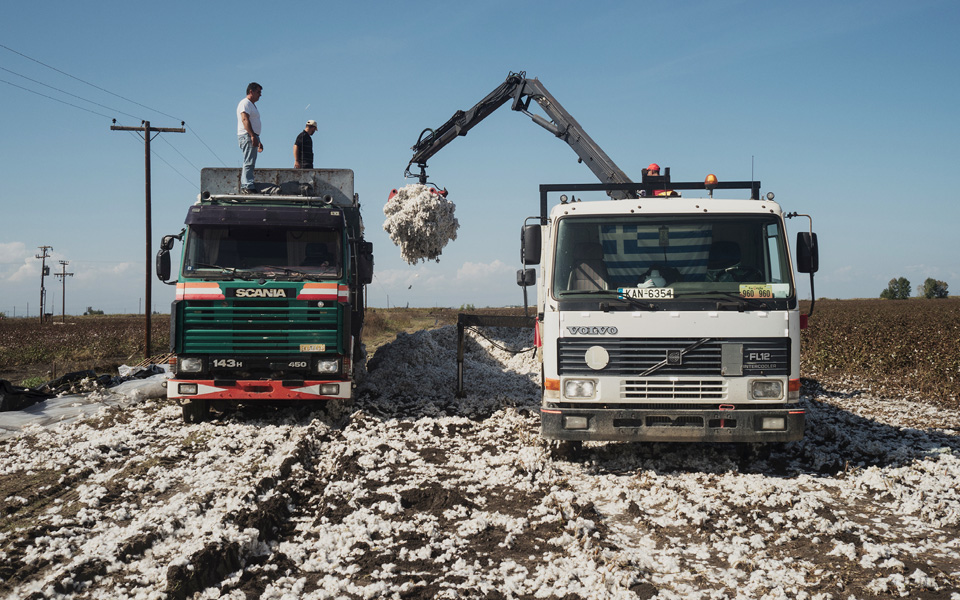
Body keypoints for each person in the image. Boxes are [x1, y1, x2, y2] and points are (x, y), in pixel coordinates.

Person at [237, 82, 263, 193]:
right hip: (247, 135)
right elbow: (245, 119)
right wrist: (252, 135)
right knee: (248, 161)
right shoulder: (245, 103)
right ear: (251, 91)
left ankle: (247, 183)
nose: (260, 95)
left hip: (252, 135)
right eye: (258, 92)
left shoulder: (251, 105)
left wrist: (258, 139)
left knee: (251, 161)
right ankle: (247, 185)